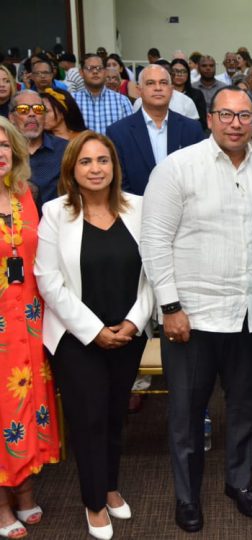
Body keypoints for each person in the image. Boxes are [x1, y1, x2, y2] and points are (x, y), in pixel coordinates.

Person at [141, 87, 252, 533]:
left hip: (251, 315)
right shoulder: (178, 168)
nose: (236, 123)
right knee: (185, 414)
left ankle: (239, 483)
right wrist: (171, 307)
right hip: (193, 319)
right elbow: (155, 242)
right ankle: (187, 496)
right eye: (226, 114)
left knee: (244, 409)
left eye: (244, 115)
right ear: (210, 118)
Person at [35, 130, 152, 540]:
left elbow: (154, 273)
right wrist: (94, 330)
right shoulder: (54, 212)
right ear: (71, 169)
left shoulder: (139, 208)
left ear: (115, 166)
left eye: (103, 160)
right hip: (74, 337)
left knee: (116, 413)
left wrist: (135, 322)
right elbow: (48, 281)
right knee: (88, 417)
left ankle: (109, 484)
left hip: (128, 332)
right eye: (85, 162)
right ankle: (93, 502)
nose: (95, 168)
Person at [0, 117, 60, 540]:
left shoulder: (24, 194)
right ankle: (2, 503)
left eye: (4, 144)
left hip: (30, 321)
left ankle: (24, 489)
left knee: (26, 407)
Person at [106, 64, 205, 195]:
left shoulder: (192, 129)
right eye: (150, 83)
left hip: (184, 210)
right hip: (136, 210)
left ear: (171, 90)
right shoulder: (118, 132)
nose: (158, 88)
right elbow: (118, 182)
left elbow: (200, 176)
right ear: (139, 90)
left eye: (163, 83)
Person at [10, 90, 69, 206]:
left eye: (38, 109)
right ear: (11, 117)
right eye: (23, 109)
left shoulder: (65, 149)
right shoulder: (4, 152)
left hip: (56, 221)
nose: (32, 114)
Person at [73, 54, 133, 134]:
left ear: (105, 72)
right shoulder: (72, 100)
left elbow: (131, 133)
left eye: (99, 68)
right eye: (90, 68)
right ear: (81, 72)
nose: (95, 72)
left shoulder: (122, 101)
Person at [170, 59, 207, 132]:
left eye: (183, 71)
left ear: (188, 74)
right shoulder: (164, 94)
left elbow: (202, 122)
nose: (179, 74)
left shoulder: (196, 94)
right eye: (176, 71)